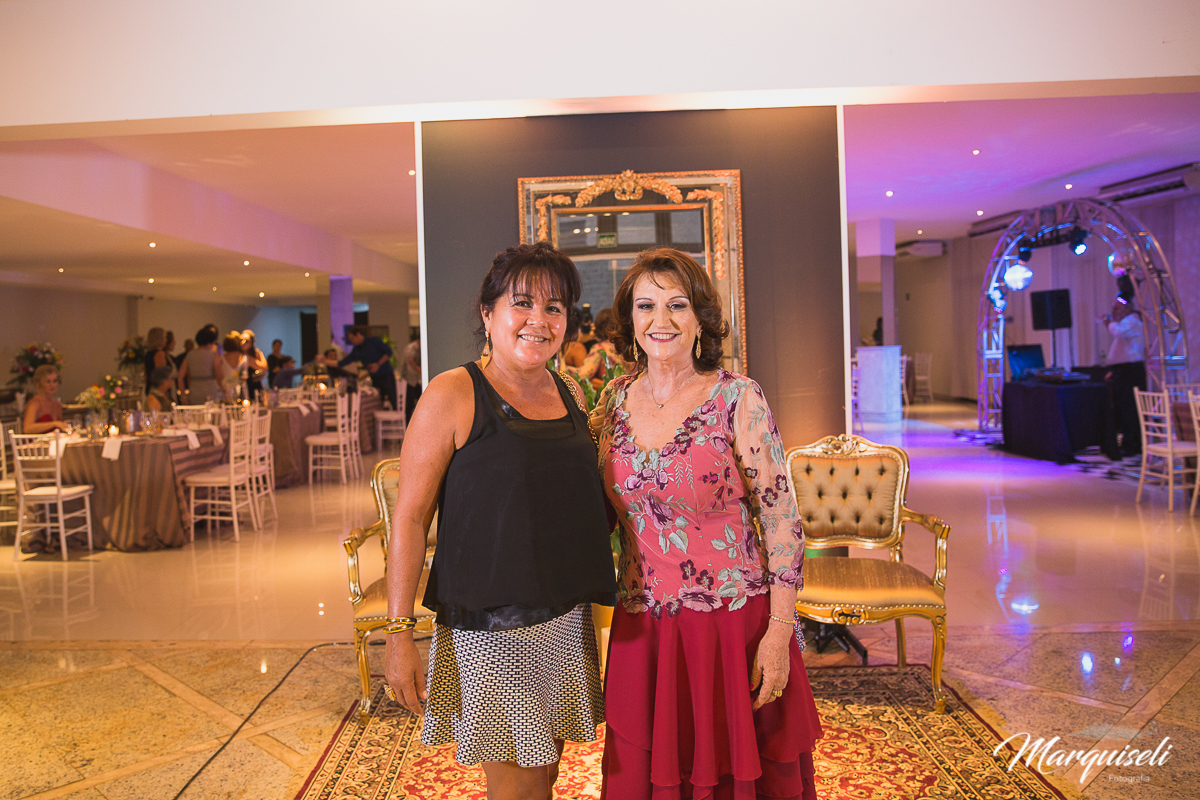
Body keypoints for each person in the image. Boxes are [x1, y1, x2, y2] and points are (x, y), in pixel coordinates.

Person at [384, 241, 616, 800]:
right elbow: (410, 519)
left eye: (554, 307)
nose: (540, 320)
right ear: (488, 314)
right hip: (493, 625)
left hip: (564, 615)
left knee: (547, 771)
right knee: (520, 786)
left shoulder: (568, 391)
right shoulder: (453, 392)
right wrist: (398, 633)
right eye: (522, 303)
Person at [592, 247, 822, 800]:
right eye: (646, 306)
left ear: (700, 318)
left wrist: (780, 630)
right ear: (630, 320)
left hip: (731, 626)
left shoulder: (737, 397)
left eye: (677, 305)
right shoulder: (612, 402)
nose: (661, 320)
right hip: (643, 626)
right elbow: (597, 513)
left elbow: (781, 517)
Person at [1101, 297, 1147, 456]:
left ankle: (1132, 445)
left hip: (1131, 371)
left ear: (1127, 310)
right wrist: (1114, 369)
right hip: (1123, 370)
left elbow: (1117, 331)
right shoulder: (1126, 323)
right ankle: (1128, 442)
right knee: (1123, 407)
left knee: (1129, 408)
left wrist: (1108, 322)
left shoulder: (1132, 321)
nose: (1113, 312)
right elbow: (1121, 351)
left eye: (1116, 308)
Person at [339, 326, 397, 411]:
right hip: (374, 378)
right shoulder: (357, 349)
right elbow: (344, 361)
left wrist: (378, 364)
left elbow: (388, 352)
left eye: (352, 338)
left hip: (386, 374)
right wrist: (326, 361)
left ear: (358, 334)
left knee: (392, 399)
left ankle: (398, 416)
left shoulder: (373, 341)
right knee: (376, 401)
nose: (352, 341)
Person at [571, 306, 624, 389]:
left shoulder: (600, 348)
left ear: (599, 326)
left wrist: (562, 366)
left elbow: (583, 375)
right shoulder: (627, 346)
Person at [177, 325, 224, 404]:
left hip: (194, 391)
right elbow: (219, 375)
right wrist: (224, 389)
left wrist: (183, 395)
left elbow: (180, 376)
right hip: (210, 390)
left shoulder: (190, 354)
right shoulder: (213, 354)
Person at [22, 365, 69, 434]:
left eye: (55, 381)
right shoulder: (35, 403)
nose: (52, 385)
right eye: (48, 381)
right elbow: (27, 429)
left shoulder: (56, 404)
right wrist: (54, 424)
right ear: (38, 383)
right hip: (37, 440)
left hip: (53, 440)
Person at [241, 330, 269, 401]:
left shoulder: (256, 353)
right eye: (241, 340)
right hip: (242, 386)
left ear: (251, 343)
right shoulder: (238, 354)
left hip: (254, 386)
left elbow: (265, 367)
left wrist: (251, 362)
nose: (243, 342)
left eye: (246, 341)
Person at [220, 332, 248, 402]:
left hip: (225, 391)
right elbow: (244, 377)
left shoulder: (221, 359)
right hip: (241, 392)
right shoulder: (244, 358)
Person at [402, 330, 422, 423]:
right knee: (410, 404)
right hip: (408, 380)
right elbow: (410, 363)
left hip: (415, 380)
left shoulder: (418, 349)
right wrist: (418, 370)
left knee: (419, 401)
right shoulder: (411, 348)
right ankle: (408, 425)